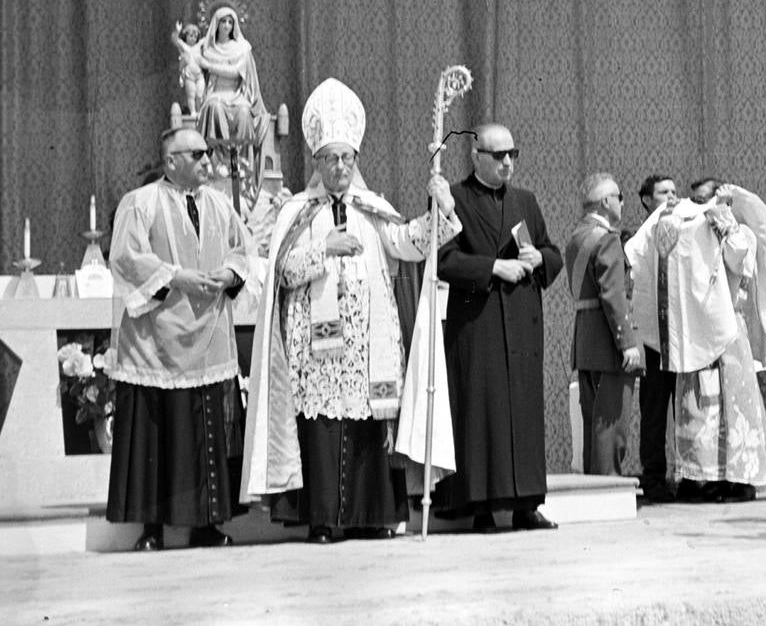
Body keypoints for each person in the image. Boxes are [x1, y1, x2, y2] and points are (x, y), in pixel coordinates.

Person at [241, 78, 460, 543]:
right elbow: (280, 272)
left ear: (356, 160)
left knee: (366, 430)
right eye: (330, 159)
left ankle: (370, 517)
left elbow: (409, 243)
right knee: (322, 430)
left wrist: (440, 211)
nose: (340, 167)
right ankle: (323, 520)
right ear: (317, 163)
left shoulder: (371, 207)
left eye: (347, 158)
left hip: (366, 349)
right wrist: (325, 248)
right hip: (315, 353)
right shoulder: (297, 212)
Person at [106, 126, 252, 551]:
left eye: (208, 154)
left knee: (205, 432)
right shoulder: (141, 203)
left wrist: (229, 273)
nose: (208, 162)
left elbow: (244, 251)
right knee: (157, 434)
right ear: (171, 162)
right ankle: (151, 528)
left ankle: (205, 523)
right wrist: (177, 276)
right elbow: (126, 259)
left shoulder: (221, 204)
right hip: (156, 341)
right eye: (198, 155)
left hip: (208, 337)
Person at [437, 124, 564, 532]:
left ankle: (527, 504)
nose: (507, 162)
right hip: (479, 323)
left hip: (522, 324)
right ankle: (482, 507)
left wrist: (537, 258)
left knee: (523, 414)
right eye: (498, 155)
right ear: (477, 157)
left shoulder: (525, 201)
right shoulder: (452, 197)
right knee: (481, 412)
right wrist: (494, 266)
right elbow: (443, 259)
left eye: (512, 154)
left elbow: (551, 251)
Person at [627, 182, 766, 503]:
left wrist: (725, 226)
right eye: (696, 199)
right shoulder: (676, 223)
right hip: (693, 331)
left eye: (706, 199)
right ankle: (702, 479)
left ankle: (739, 480)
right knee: (699, 409)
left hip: (728, 333)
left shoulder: (736, 229)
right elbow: (643, 253)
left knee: (733, 408)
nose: (699, 205)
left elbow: (741, 262)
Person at [565, 173, 642, 475]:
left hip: (586, 338)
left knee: (592, 419)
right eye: (619, 197)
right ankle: (609, 485)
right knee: (612, 422)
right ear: (607, 202)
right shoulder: (607, 238)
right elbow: (613, 294)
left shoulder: (577, 236)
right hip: (610, 342)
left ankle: (593, 487)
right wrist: (627, 342)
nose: (622, 203)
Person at [635, 173, 679, 503]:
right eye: (663, 192)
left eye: (674, 191)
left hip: (682, 336)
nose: (672, 196)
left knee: (687, 409)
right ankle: (653, 478)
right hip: (653, 340)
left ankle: (690, 476)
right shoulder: (638, 237)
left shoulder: (686, 230)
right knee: (654, 411)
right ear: (647, 199)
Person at [196, 5, 270, 156]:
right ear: (216, 24)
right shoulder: (207, 49)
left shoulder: (242, 48)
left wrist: (209, 66)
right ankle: (217, 159)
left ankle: (241, 159)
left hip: (236, 94)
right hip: (216, 93)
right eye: (223, 21)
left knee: (244, 111)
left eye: (230, 22)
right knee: (214, 107)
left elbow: (236, 72)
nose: (227, 25)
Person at [171, 21, 205, 116]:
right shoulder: (184, 46)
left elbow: (208, 38)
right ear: (186, 36)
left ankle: (200, 111)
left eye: (195, 36)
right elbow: (175, 40)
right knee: (191, 95)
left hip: (199, 75)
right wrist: (177, 31)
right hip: (189, 76)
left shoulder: (198, 46)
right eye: (190, 35)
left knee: (200, 94)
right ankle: (193, 112)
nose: (193, 38)